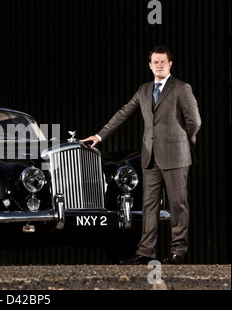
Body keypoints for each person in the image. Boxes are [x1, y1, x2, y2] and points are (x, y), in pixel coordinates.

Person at [81, 45, 201, 265]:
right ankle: (146, 251)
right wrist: (99, 136)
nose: (159, 65)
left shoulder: (182, 88)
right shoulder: (144, 90)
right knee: (148, 206)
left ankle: (178, 251)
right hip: (150, 157)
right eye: (155, 62)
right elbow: (123, 113)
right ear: (150, 65)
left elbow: (195, 122)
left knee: (177, 205)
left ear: (170, 64)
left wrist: (184, 143)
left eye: (163, 62)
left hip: (176, 156)